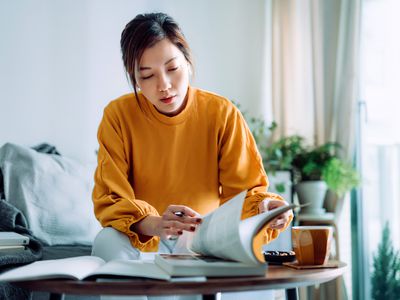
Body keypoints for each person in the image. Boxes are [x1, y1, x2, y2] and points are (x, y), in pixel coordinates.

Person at [91, 12, 293, 300]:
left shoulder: (221, 113)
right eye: (146, 75)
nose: (163, 85)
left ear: (187, 61)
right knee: (107, 239)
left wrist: (266, 209)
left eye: (172, 68)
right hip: (143, 242)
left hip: (203, 245)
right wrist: (157, 224)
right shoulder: (117, 116)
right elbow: (111, 198)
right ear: (134, 79)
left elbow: (248, 193)